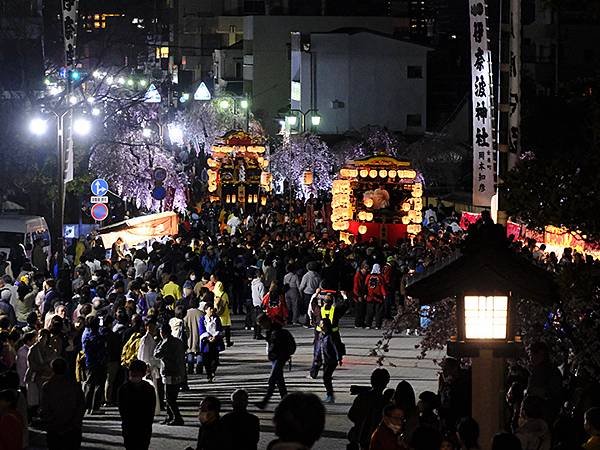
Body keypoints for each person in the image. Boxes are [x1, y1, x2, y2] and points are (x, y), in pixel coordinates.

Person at [41, 358, 85, 450]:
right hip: (72, 428)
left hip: (54, 428)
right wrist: (75, 423)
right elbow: (81, 406)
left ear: (52, 369)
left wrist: (50, 422)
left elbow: (45, 407)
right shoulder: (75, 385)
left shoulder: (47, 386)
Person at [255, 314, 296, 409]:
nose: (261, 327)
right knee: (279, 381)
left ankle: (265, 402)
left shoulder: (276, 331)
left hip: (279, 358)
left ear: (266, 322)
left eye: (261, 324)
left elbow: (275, 346)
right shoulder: (271, 330)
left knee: (272, 379)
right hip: (276, 358)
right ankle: (285, 400)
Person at [348, 368, 391, 450]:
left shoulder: (362, 397)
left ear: (371, 381)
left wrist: (360, 421)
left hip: (360, 435)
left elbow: (351, 415)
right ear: (386, 383)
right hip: (376, 438)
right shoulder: (385, 402)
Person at [118, 359, 156, 450]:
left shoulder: (124, 388)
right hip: (141, 425)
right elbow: (151, 409)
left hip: (131, 425)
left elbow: (122, 409)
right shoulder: (148, 388)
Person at [154, 322, 186, 425]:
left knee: (169, 398)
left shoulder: (165, 342)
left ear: (162, 332)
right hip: (178, 371)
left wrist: (159, 342)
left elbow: (156, 354)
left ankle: (177, 417)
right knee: (172, 397)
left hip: (169, 372)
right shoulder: (178, 341)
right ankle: (170, 416)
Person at [310, 318, 340, 403]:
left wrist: (339, 358)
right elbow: (318, 349)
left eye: (323, 324)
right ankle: (330, 395)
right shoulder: (320, 336)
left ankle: (330, 396)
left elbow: (336, 347)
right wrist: (316, 359)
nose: (321, 326)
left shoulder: (331, 336)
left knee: (326, 377)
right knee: (326, 378)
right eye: (320, 324)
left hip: (331, 360)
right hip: (324, 360)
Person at [81, 315, 107, 414]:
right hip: (96, 362)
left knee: (90, 384)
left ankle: (88, 406)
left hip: (89, 362)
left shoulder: (86, 332)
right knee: (97, 384)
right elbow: (98, 346)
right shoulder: (93, 335)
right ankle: (94, 407)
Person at [198, 304, 224, 382]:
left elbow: (219, 328)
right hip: (206, 342)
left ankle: (213, 371)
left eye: (212, 309)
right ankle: (209, 374)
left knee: (215, 359)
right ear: (206, 310)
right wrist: (208, 337)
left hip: (215, 341)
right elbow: (201, 330)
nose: (211, 311)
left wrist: (215, 336)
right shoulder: (202, 319)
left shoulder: (216, 318)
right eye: (210, 309)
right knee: (206, 360)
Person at [184, 297, 204, 375]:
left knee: (190, 353)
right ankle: (199, 369)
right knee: (199, 352)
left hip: (189, 337)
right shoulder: (201, 313)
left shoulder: (186, 314)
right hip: (199, 336)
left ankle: (190, 369)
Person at [299, 261, 321, 327]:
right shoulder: (318, 275)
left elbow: (302, 286)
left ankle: (307, 322)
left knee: (308, 308)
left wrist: (300, 292)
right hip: (315, 293)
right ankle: (315, 322)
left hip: (307, 293)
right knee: (315, 308)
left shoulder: (306, 275)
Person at [365, 263, 386, 329]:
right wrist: (384, 294)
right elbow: (382, 286)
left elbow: (365, 285)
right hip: (378, 297)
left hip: (370, 296)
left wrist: (365, 294)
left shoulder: (368, 276)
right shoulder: (380, 277)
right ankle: (378, 325)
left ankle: (368, 324)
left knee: (369, 311)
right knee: (378, 312)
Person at [213, 280, 233, 347]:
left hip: (217, 313)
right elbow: (227, 302)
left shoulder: (214, 294)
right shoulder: (224, 294)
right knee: (227, 329)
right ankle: (228, 342)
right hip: (225, 313)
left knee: (218, 329)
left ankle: (218, 342)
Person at [250, 269, 266, 340]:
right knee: (260, 320)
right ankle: (258, 334)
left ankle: (255, 334)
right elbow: (262, 295)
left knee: (255, 320)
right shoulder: (261, 284)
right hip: (260, 303)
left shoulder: (253, 283)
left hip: (254, 302)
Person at [352, 262, 369, 328]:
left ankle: (361, 322)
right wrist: (358, 296)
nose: (367, 271)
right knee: (359, 309)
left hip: (361, 293)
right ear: (362, 268)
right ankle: (357, 323)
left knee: (362, 309)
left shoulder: (363, 274)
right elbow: (356, 287)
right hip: (358, 295)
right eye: (366, 269)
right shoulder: (358, 275)